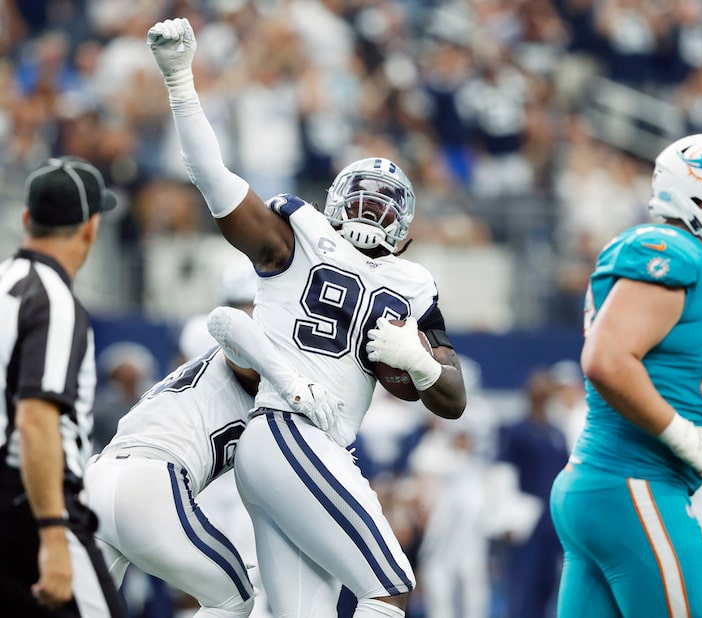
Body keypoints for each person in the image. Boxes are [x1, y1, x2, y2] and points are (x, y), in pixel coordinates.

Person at [148, 17, 467, 618]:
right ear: (335, 201)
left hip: (306, 446)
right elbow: (215, 181)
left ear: (404, 225)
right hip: (290, 430)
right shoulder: (300, 239)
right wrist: (180, 83)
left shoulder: (413, 285)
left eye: (383, 203)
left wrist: (419, 362)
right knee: (390, 589)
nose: (370, 209)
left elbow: (453, 398)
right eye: (361, 197)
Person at [550, 132, 702, 617]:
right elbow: (607, 360)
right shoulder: (673, 251)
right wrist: (681, 433)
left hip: (609, 485)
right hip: (635, 484)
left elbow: (663, 366)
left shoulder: (693, 261)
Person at [83, 261, 342, 618]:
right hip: (154, 480)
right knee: (235, 599)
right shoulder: (242, 343)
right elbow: (236, 331)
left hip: (97, 479)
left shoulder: (226, 353)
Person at [0, 156, 126, 617]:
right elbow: (35, 420)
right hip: (29, 500)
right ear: (91, 226)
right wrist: (53, 531)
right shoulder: (52, 299)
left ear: (27, 218)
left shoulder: (4, 284)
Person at [498, 368, 570, 618]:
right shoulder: (516, 431)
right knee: (524, 589)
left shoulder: (557, 433)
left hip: (553, 521)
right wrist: (506, 518)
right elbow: (502, 476)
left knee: (549, 587)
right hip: (526, 523)